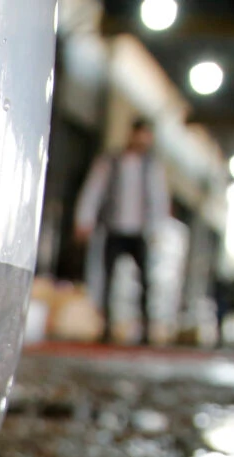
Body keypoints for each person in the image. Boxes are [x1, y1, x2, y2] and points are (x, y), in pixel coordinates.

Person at [73, 118, 170, 343]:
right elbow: (93, 190)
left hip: (140, 232)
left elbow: (159, 199)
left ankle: (146, 327)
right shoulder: (111, 161)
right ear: (132, 134)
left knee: (145, 281)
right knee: (107, 278)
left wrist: (157, 230)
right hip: (114, 229)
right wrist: (84, 220)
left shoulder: (152, 166)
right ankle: (106, 325)